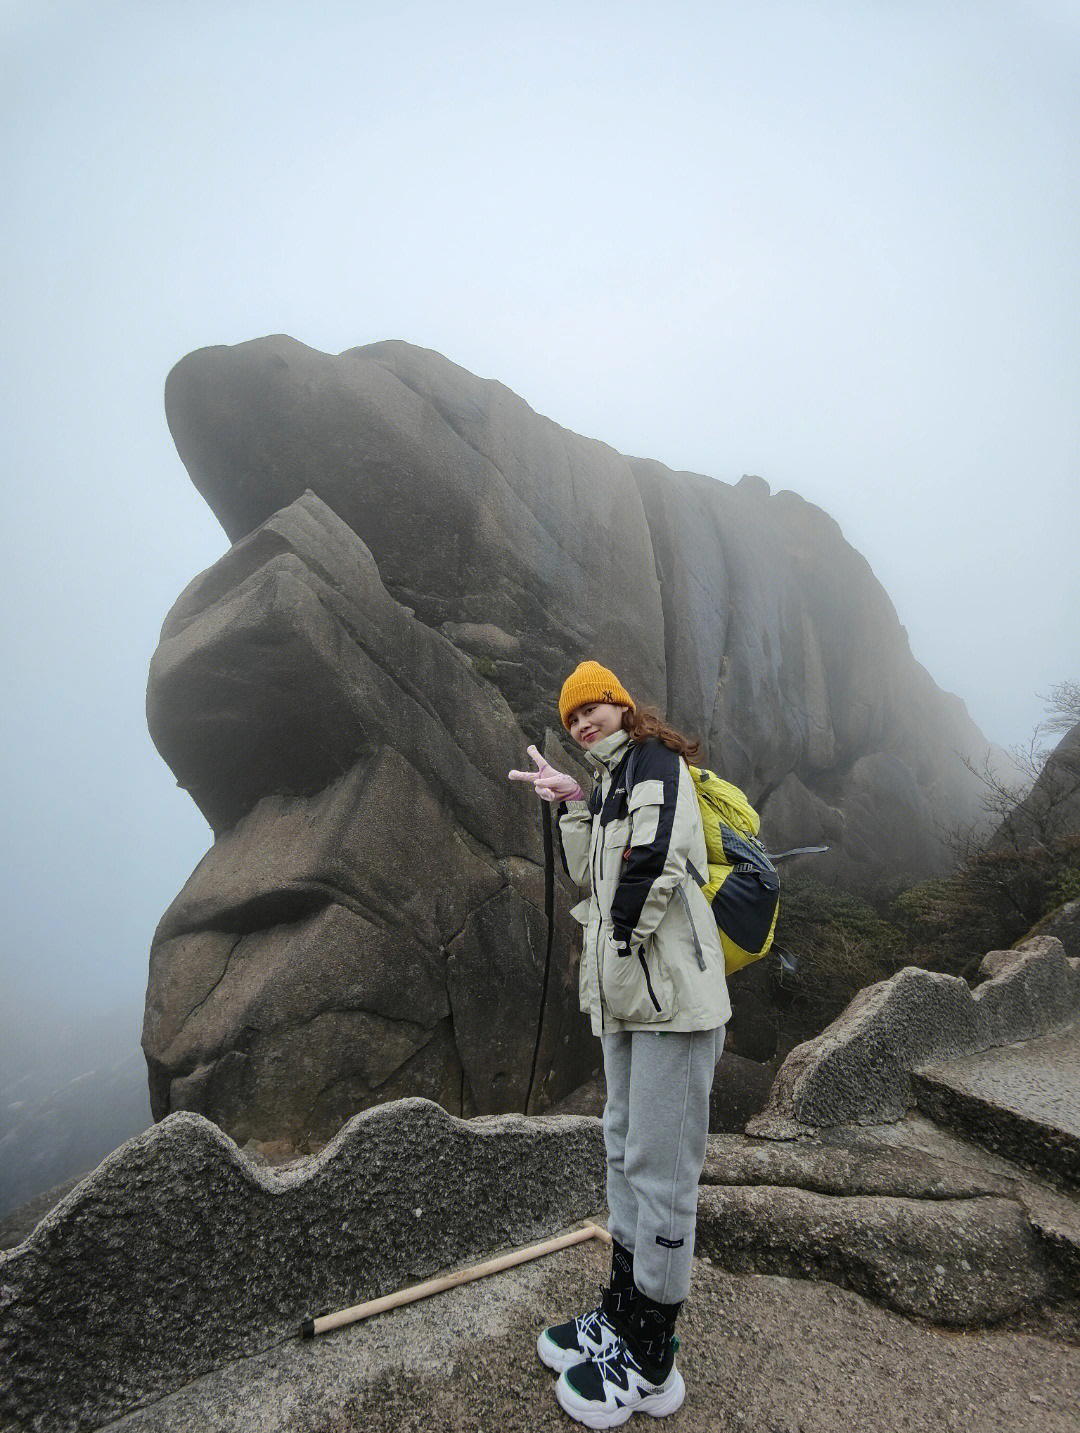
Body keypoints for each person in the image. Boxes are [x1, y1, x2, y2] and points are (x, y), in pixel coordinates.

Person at [508, 660, 731, 1428]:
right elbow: (589, 877)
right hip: (631, 1002)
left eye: (591, 709)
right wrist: (575, 803)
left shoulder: (654, 764)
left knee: (663, 1171)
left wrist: (623, 939)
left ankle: (653, 1357)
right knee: (624, 1152)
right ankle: (622, 1311)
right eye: (571, 719)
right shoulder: (606, 785)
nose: (581, 725)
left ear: (621, 705)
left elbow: (654, 860)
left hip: (671, 999)